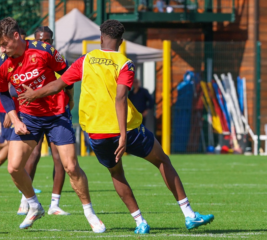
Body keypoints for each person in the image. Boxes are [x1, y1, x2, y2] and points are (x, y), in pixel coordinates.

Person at [18, 19, 214, 234]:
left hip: (97, 131)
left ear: (101, 37)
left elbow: (58, 84)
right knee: (162, 160)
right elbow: (121, 97)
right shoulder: (124, 63)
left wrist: (32, 94)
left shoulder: (86, 60)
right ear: (121, 41)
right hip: (128, 129)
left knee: (117, 173)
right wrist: (122, 135)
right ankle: (189, 215)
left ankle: (140, 222)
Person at [0, 17, 105, 232]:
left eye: (5, 43)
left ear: (17, 36)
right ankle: (34, 205)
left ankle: (90, 213)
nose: (2, 49)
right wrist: (15, 119)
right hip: (28, 117)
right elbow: (4, 93)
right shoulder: (2, 64)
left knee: (71, 166)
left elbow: (67, 74)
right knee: (14, 167)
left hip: (56, 114)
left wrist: (69, 100)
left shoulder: (44, 50)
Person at [18, 26, 74, 216]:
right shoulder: (27, 57)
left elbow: (68, 79)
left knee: (59, 158)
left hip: (56, 112)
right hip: (34, 113)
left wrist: (71, 99)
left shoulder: (56, 57)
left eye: (47, 40)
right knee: (32, 155)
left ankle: (54, 204)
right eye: (40, 39)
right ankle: (25, 200)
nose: (44, 43)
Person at [0, 93, 41, 194]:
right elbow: (10, 86)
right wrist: (10, 112)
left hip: (10, 108)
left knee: (12, 144)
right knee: (12, 144)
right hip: (10, 109)